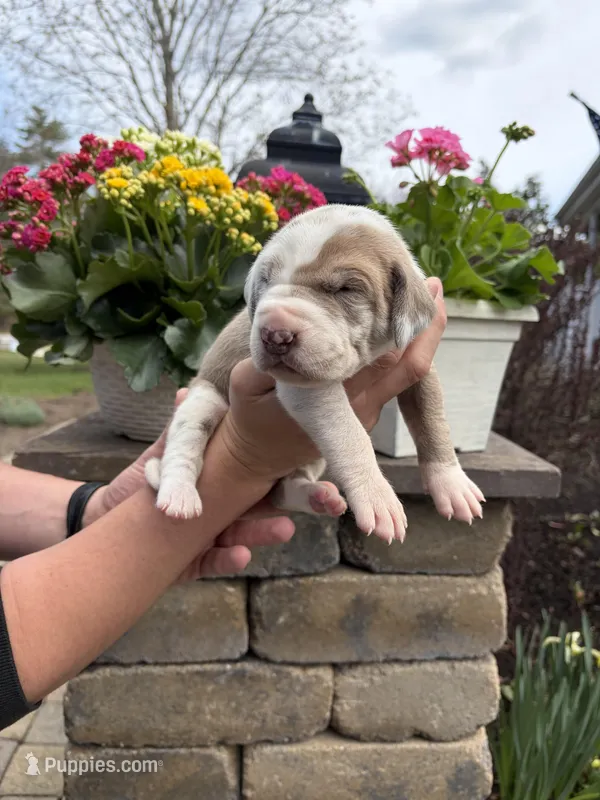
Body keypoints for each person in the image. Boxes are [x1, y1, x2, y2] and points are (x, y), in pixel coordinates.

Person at [0, 278, 445, 730]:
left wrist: (92, 510)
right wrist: (239, 464)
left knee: (294, 469)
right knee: (192, 422)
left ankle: (287, 484)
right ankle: (182, 477)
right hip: (210, 408)